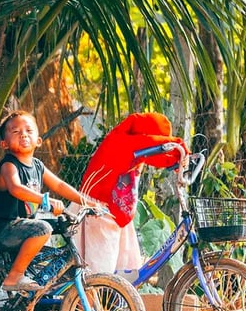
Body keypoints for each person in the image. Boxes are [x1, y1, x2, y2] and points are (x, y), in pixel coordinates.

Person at [0, 110, 101, 311]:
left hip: (19, 232)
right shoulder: (8, 166)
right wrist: (45, 200)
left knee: (36, 280)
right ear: (5, 143)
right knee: (42, 227)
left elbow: (60, 185)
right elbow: (16, 188)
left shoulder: (37, 166)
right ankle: (14, 276)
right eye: (15, 132)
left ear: (38, 140)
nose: (23, 135)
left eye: (28, 131)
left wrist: (88, 201)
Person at [71, 112, 188, 277]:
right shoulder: (121, 141)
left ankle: (118, 301)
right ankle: (90, 302)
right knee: (99, 272)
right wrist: (179, 146)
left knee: (127, 269)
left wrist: (176, 159)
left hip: (117, 212)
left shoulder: (138, 150)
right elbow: (152, 144)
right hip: (98, 209)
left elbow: (156, 155)